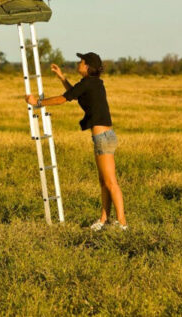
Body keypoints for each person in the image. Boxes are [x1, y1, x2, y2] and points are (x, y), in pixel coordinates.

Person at [25, 53, 127, 231]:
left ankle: (122, 223)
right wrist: (62, 77)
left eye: (81, 62)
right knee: (103, 182)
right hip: (103, 137)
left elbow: (63, 99)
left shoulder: (88, 83)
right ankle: (104, 219)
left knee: (111, 182)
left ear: (87, 67)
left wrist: (37, 102)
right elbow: (74, 93)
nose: (78, 64)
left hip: (103, 138)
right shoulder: (93, 83)